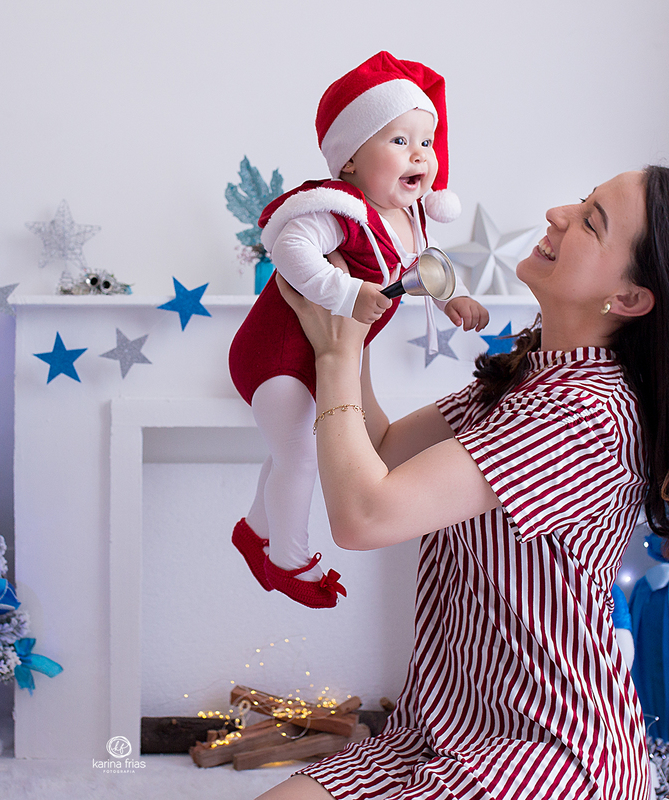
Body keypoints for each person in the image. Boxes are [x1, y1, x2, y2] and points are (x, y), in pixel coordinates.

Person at [256, 166, 669, 799]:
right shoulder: (526, 376)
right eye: (583, 198)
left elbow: (364, 517)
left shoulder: (586, 414)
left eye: (591, 221)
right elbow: (378, 452)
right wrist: (354, 319)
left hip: (548, 755)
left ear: (627, 299)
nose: (559, 213)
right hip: (435, 733)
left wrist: (335, 356)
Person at [229, 52, 490, 609]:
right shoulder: (339, 210)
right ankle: (288, 561)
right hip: (276, 357)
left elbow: (423, 267)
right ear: (349, 160)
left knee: (286, 453)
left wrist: (453, 297)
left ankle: (255, 535)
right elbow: (290, 247)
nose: (419, 154)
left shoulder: (408, 217)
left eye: (426, 142)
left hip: (320, 357)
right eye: (398, 141)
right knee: (300, 456)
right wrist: (343, 293)